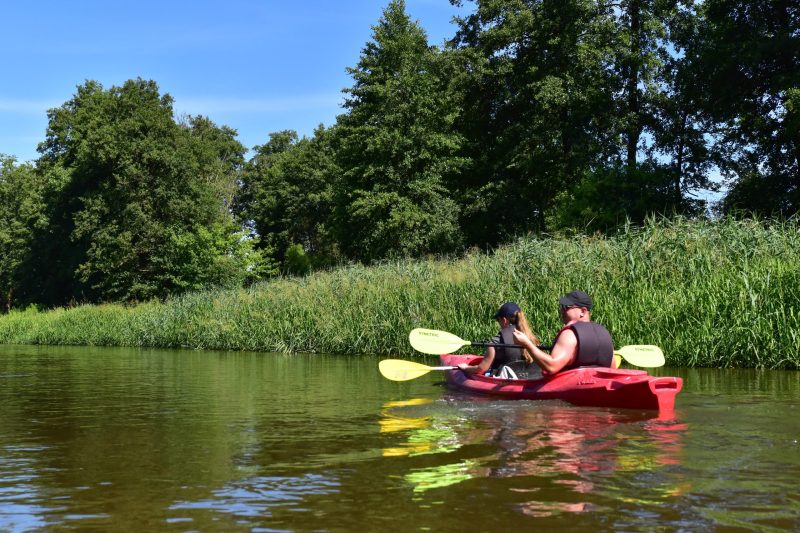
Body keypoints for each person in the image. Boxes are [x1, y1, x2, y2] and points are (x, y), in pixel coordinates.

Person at [512, 290, 615, 374]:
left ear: (582, 311)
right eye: (562, 307)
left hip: (571, 389)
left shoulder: (570, 334)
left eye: (566, 307)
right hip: (597, 388)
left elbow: (551, 366)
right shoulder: (604, 333)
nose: (562, 311)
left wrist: (527, 344)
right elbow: (613, 369)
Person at [457, 302, 540, 377]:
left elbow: (481, 369)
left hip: (506, 382)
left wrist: (466, 368)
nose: (498, 323)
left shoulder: (496, 341)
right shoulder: (531, 338)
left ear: (504, 320)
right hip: (531, 378)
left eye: (498, 320)